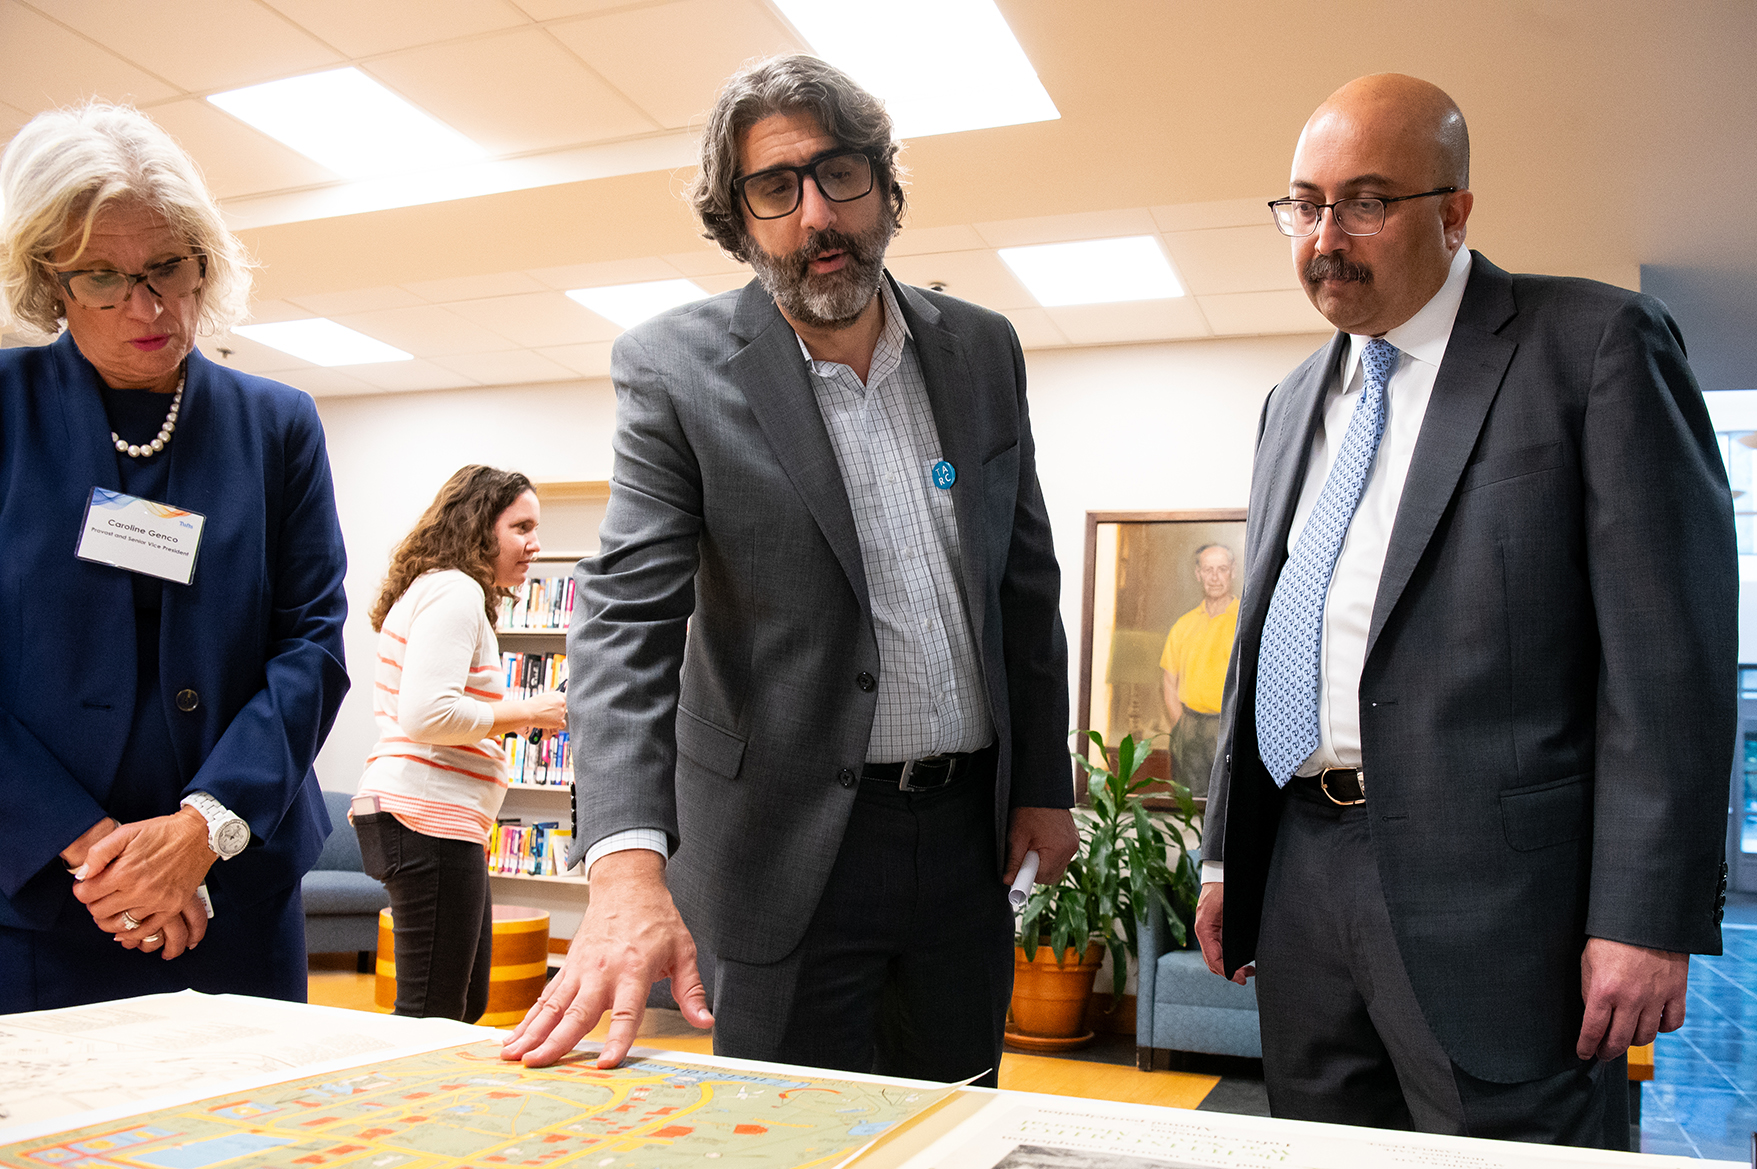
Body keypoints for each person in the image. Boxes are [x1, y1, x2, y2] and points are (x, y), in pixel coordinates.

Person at [501, 54, 1078, 1083]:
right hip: (784, 845)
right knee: (786, 1132)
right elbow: (626, 622)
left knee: (956, 1113)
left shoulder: (981, 350)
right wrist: (628, 863)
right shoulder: (672, 369)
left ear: (883, 188)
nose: (816, 213)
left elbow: (1022, 586)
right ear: (738, 221)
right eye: (775, 187)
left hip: (963, 839)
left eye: (838, 174)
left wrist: (1042, 782)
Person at [1198, 74, 1736, 1147]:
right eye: (1302, 204)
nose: (1321, 235)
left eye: (1362, 201)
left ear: (1453, 212)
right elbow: (1267, 642)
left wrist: (1641, 915)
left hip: (1500, 902)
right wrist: (1223, 855)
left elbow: (1666, 662)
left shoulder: (1594, 345)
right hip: (1301, 874)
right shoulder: (1291, 400)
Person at [0, 103, 351, 1010]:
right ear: (50, 280)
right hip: (42, 893)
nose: (148, 306)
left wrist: (205, 828)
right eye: (103, 278)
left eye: (167, 267)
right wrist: (97, 852)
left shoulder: (277, 424)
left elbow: (310, 646)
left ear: (206, 257)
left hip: (237, 883)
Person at [353, 466, 567, 1023]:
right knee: (433, 1008)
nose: (534, 544)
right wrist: (530, 712)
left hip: (438, 819)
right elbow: (428, 715)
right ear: (478, 527)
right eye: (521, 527)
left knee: (462, 1000)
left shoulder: (442, 590)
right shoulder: (455, 591)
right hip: (427, 818)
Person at [1159, 543, 1237, 800]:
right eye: (1208, 569)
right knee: (1187, 808)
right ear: (1198, 574)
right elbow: (1169, 680)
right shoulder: (1184, 625)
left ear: (1232, 572)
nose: (1215, 577)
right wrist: (1180, 725)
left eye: (1222, 569)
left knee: (1226, 806)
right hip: (1189, 727)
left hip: (1228, 728)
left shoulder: (1244, 621)